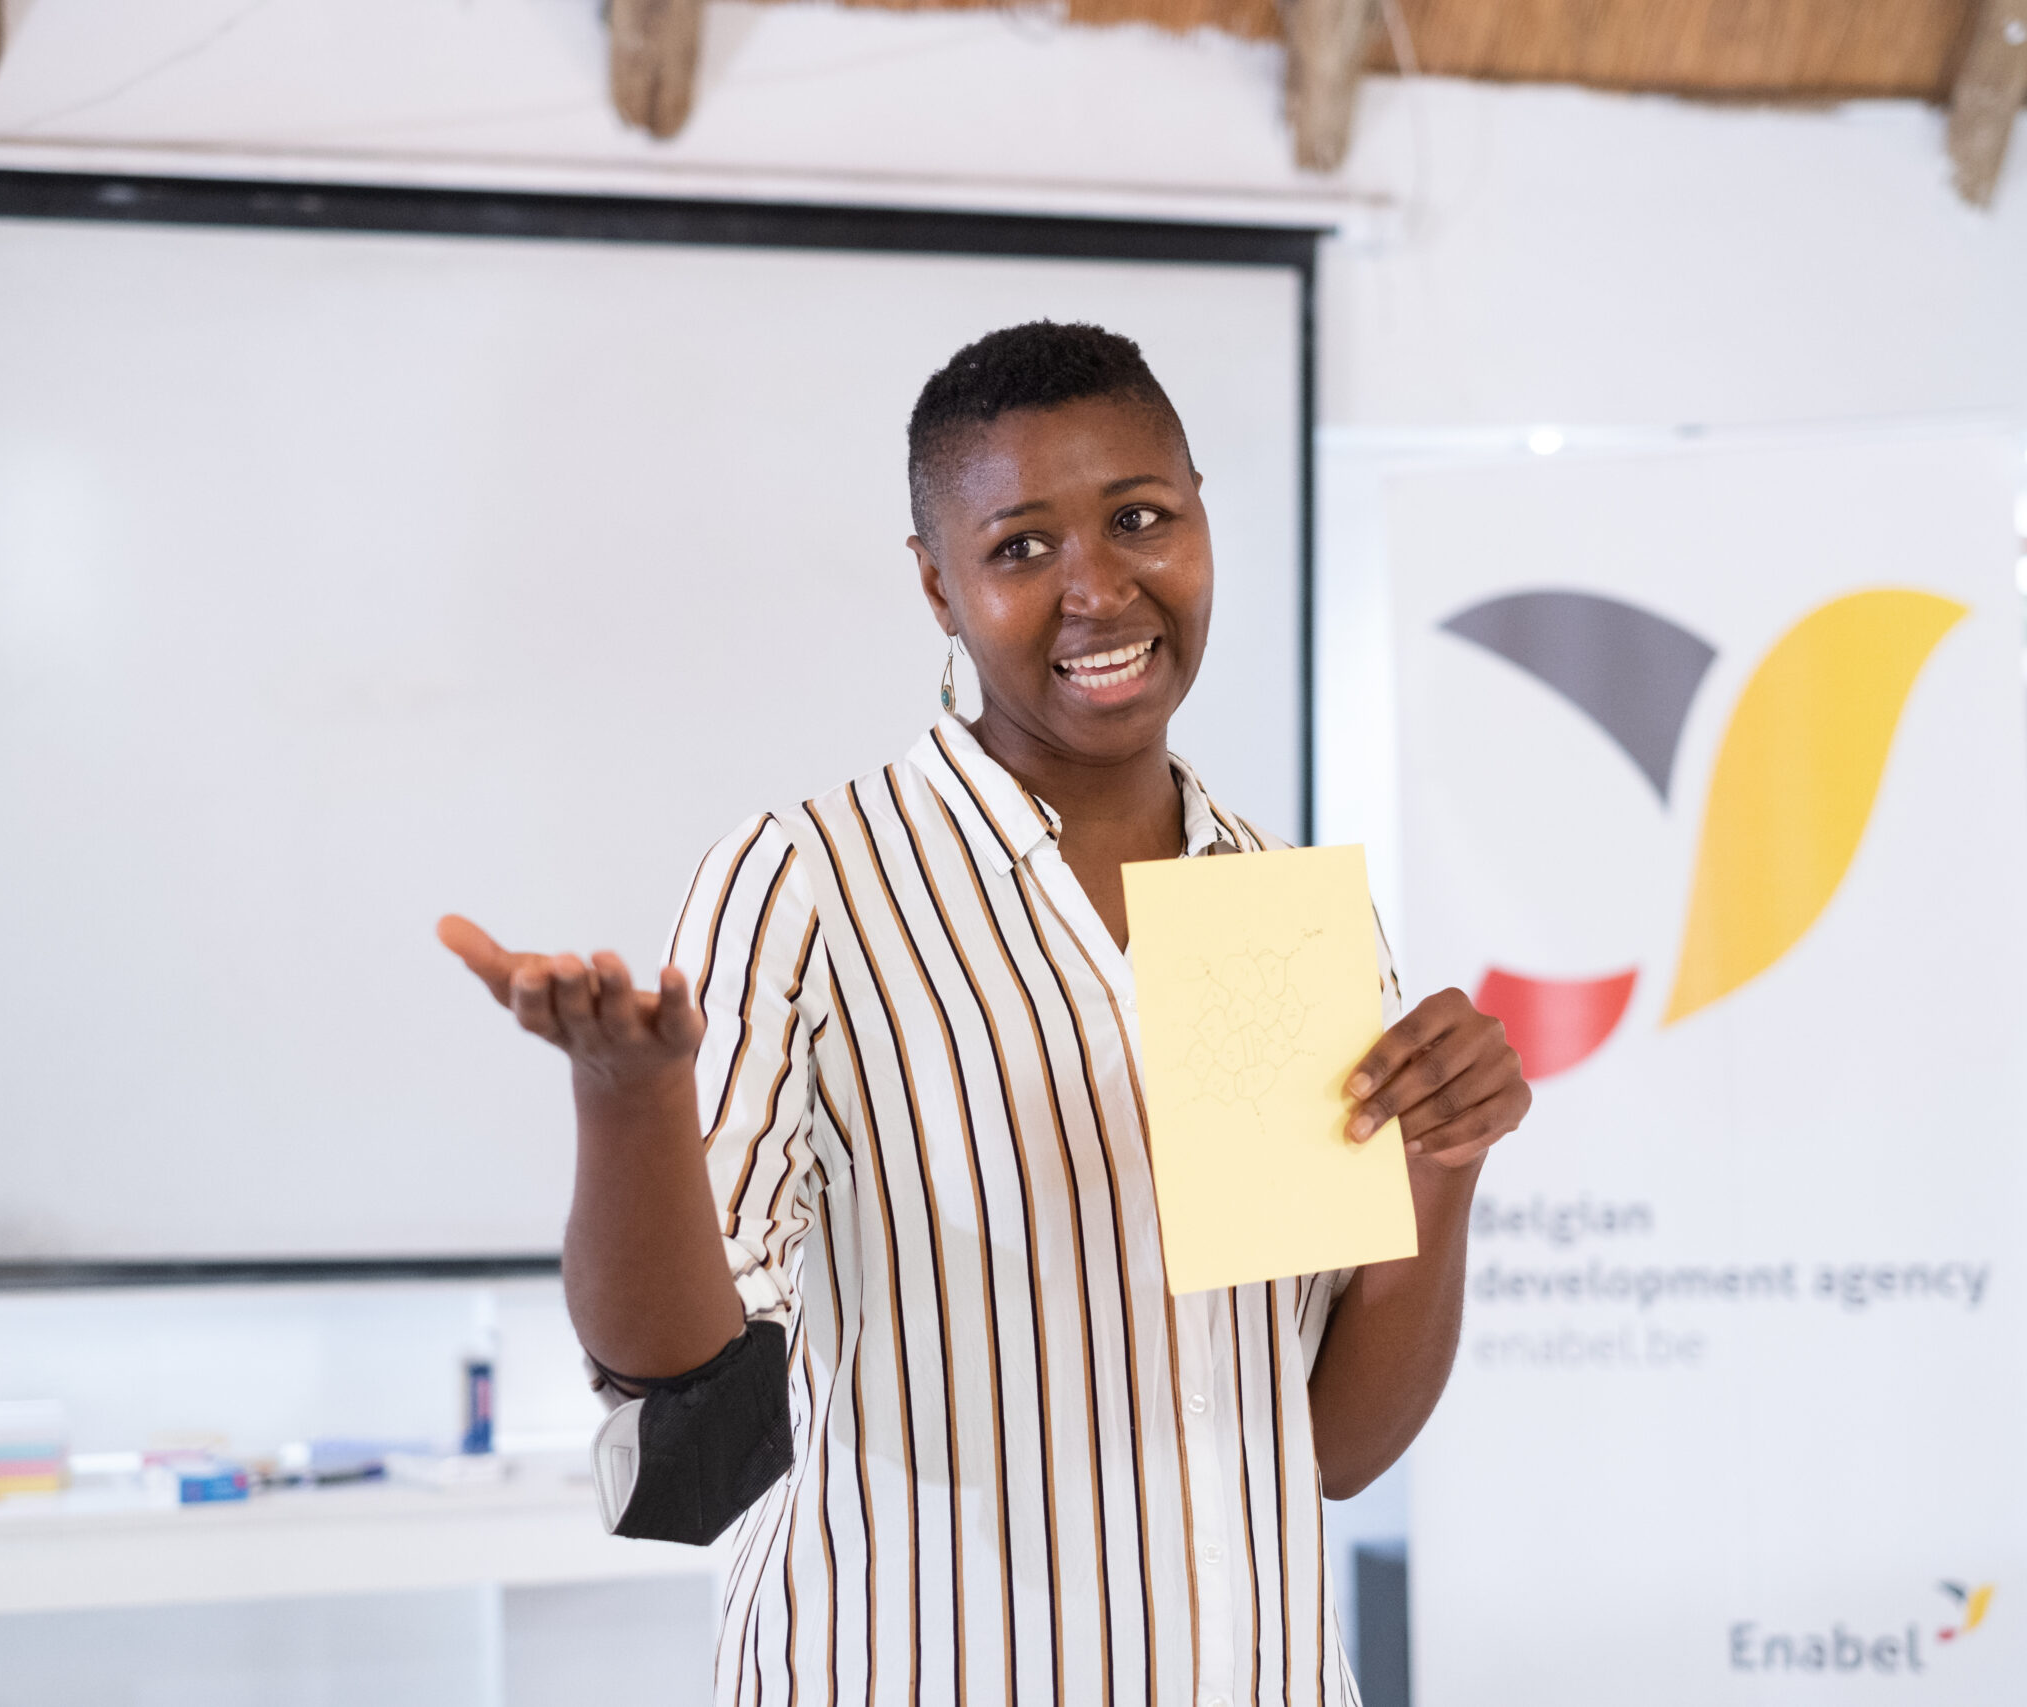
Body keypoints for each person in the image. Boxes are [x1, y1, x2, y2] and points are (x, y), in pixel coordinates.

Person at [439, 321, 1529, 1706]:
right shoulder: (812, 880)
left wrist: (1443, 1170)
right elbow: (680, 1389)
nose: (1099, 588)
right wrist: (629, 1102)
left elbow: (1319, 1450)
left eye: (1142, 519)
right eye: (1021, 547)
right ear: (937, 585)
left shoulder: (1275, 908)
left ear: (1202, 522)